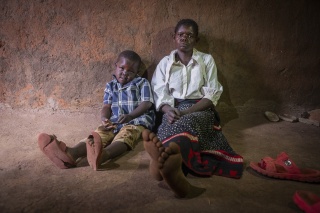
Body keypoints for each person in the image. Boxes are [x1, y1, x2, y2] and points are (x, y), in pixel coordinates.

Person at [143, 19, 244, 198]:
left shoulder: (206, 60)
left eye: (189, 35)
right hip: (172, 107)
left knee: (187, 122)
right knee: (167, 123)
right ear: (174, 37)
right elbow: (159, 91)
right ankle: (171, 169)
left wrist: (185, 112)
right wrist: (168, 110)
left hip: (199, 108)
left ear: (196, 39)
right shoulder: (165, 63)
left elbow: (211, 95)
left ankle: (163, 164)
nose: (184, 38)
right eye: (181, 35)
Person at [38, 50, 155, 171]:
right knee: (98, 133)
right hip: (115, 120)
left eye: (130, 71)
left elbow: (146, 103)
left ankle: (103, 155)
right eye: (122, 68)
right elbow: (106, 107)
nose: (125, 73)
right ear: (116, 65)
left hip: (136, 120)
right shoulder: (110, 86)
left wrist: (130, 116)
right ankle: (71, 153)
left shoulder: (141, 83)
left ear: (137, 72)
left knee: (126, 135)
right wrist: (104, 119)